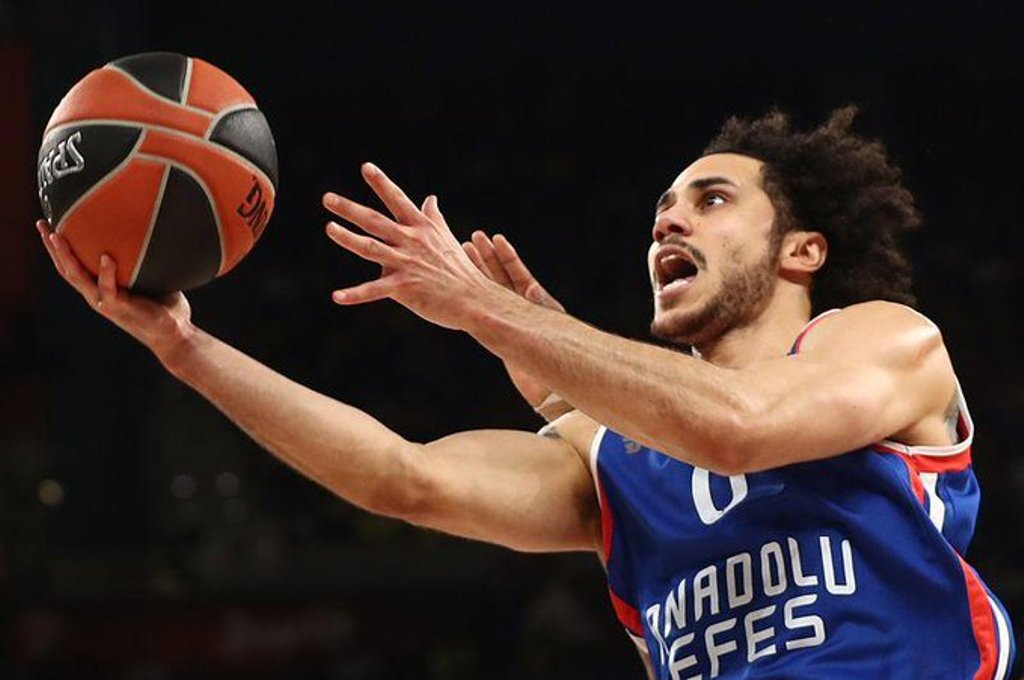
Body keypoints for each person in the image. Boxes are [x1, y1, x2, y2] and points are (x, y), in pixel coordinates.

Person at [38, 107, 1014, 678]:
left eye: (711, 201)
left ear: (801, 248)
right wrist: (184, 348)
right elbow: (400, 477)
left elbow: (740, 426)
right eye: (659, 212)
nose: (669, 222)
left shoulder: (881, 339)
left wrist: (489, 314)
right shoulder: (617, 460)